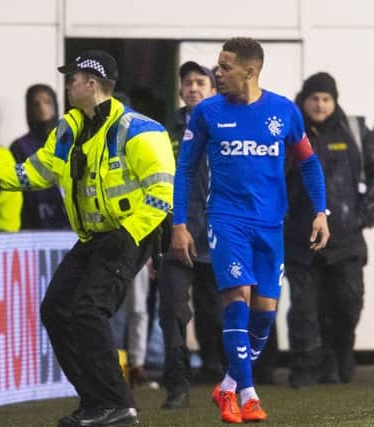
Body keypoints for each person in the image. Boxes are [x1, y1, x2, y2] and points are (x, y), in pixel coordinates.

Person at [0, 49, 175, 427]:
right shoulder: (69, 128)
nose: (67, 85)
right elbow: (36, 173)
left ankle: (118, 404)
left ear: (91, 84)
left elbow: (162, 195)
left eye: (72, 78)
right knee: (56, 311)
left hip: (131, 234)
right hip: (95, 237)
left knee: (88, 311)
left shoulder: (141, 130)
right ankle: (96, 402)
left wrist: (128, 235)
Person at [172, 37, 329, 424]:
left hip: (270, 225)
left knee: (263, 316)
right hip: (226, 221)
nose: (216, 73)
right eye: (217, 66)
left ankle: (226, 384)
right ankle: (247, 395)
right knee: (237, 303)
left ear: (250, 70)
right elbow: (186, 170)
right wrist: (179, 223)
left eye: (224, 67)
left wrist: (320, 211)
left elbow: (308, 163)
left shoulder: (283, 111)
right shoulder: (207, 113)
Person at [285, 72, 372, 388]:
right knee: (304, 310)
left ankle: (340, 357)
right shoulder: (287, 132)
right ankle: (305, 369)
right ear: (303, 100)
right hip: (300, 238)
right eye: (314, 98)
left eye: (326, 99)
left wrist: (365, 212)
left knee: (348, 303)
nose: (320, 105)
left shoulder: (356, 132)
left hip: (346, 239)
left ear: (334, 101)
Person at [157, 61, 221, 410]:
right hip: (175, 240)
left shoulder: (229, 127)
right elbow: (154, 187)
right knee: (172, 313)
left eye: (201, 82)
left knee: (219, 316)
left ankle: (223, 377)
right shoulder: (163, 132)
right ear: (180, 90)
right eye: (188, 83)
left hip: (220, 241)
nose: (193, 88)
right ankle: (176, 386)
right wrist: (156, 244)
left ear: (212, 89)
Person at [9, 84, 68, 229]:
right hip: (33, 222)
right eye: (36, 104)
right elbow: (19, 185)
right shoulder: (20, 146)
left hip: (70, 222)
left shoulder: (69, 140)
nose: (42, 107)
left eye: (47, 102)